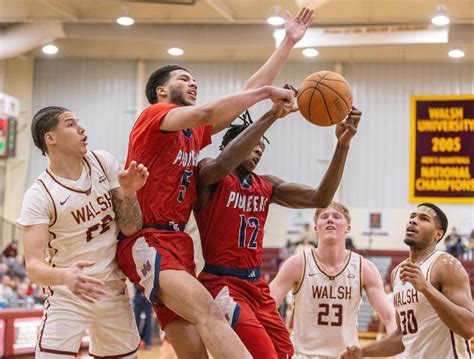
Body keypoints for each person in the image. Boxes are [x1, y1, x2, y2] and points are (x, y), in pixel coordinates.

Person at [116, 7, 314, 358]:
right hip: (148, 237)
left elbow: (241, 98)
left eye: (194, 79)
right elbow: (212, 110)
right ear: (162, 91)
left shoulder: (191, 133)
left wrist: (287, 42)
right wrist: (268, 94)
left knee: (195, 351)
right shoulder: (153, 116)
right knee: (210, 313)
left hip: (177, 241)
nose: (192, 82)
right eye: (183, 78)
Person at [194, 91, 362, 358]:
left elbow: (320, 197)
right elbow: (218, 166)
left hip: (256, 285)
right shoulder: (211, 174)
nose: (259, 151)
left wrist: (342, 145)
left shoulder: (266, 185)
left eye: (262, 148)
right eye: (254, 145)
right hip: (222, 282)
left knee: (285, 354)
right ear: (234, 144)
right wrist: (271, 114)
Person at [18, 106, 148, 358]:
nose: (81, 128)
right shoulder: (39, 195)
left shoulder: (103, 162)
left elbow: (130, 227)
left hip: (113, 291)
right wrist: (65, 276)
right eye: (70, 124)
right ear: (50, 138)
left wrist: (130, 193)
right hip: (67, 296)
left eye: (78, 122)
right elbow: (33, 266)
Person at [340, 203, 474, 359]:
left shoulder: (446, 264)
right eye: (412, 216)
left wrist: (426, 288)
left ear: (438, 234)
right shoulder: (397, 272)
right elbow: (401, 337)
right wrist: (363, 352)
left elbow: (468, 327)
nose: (413, 221)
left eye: (423, 219)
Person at [270, 202, 396, 359]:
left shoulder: (364, 268)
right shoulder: (297, 264)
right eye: (324, 217)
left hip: (345, 356)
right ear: (316, 228)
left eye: (336, 216)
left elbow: (390, 316)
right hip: (303, 355)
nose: (330, 220)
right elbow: (265, 306)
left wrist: (400, 351)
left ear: (348, 228)